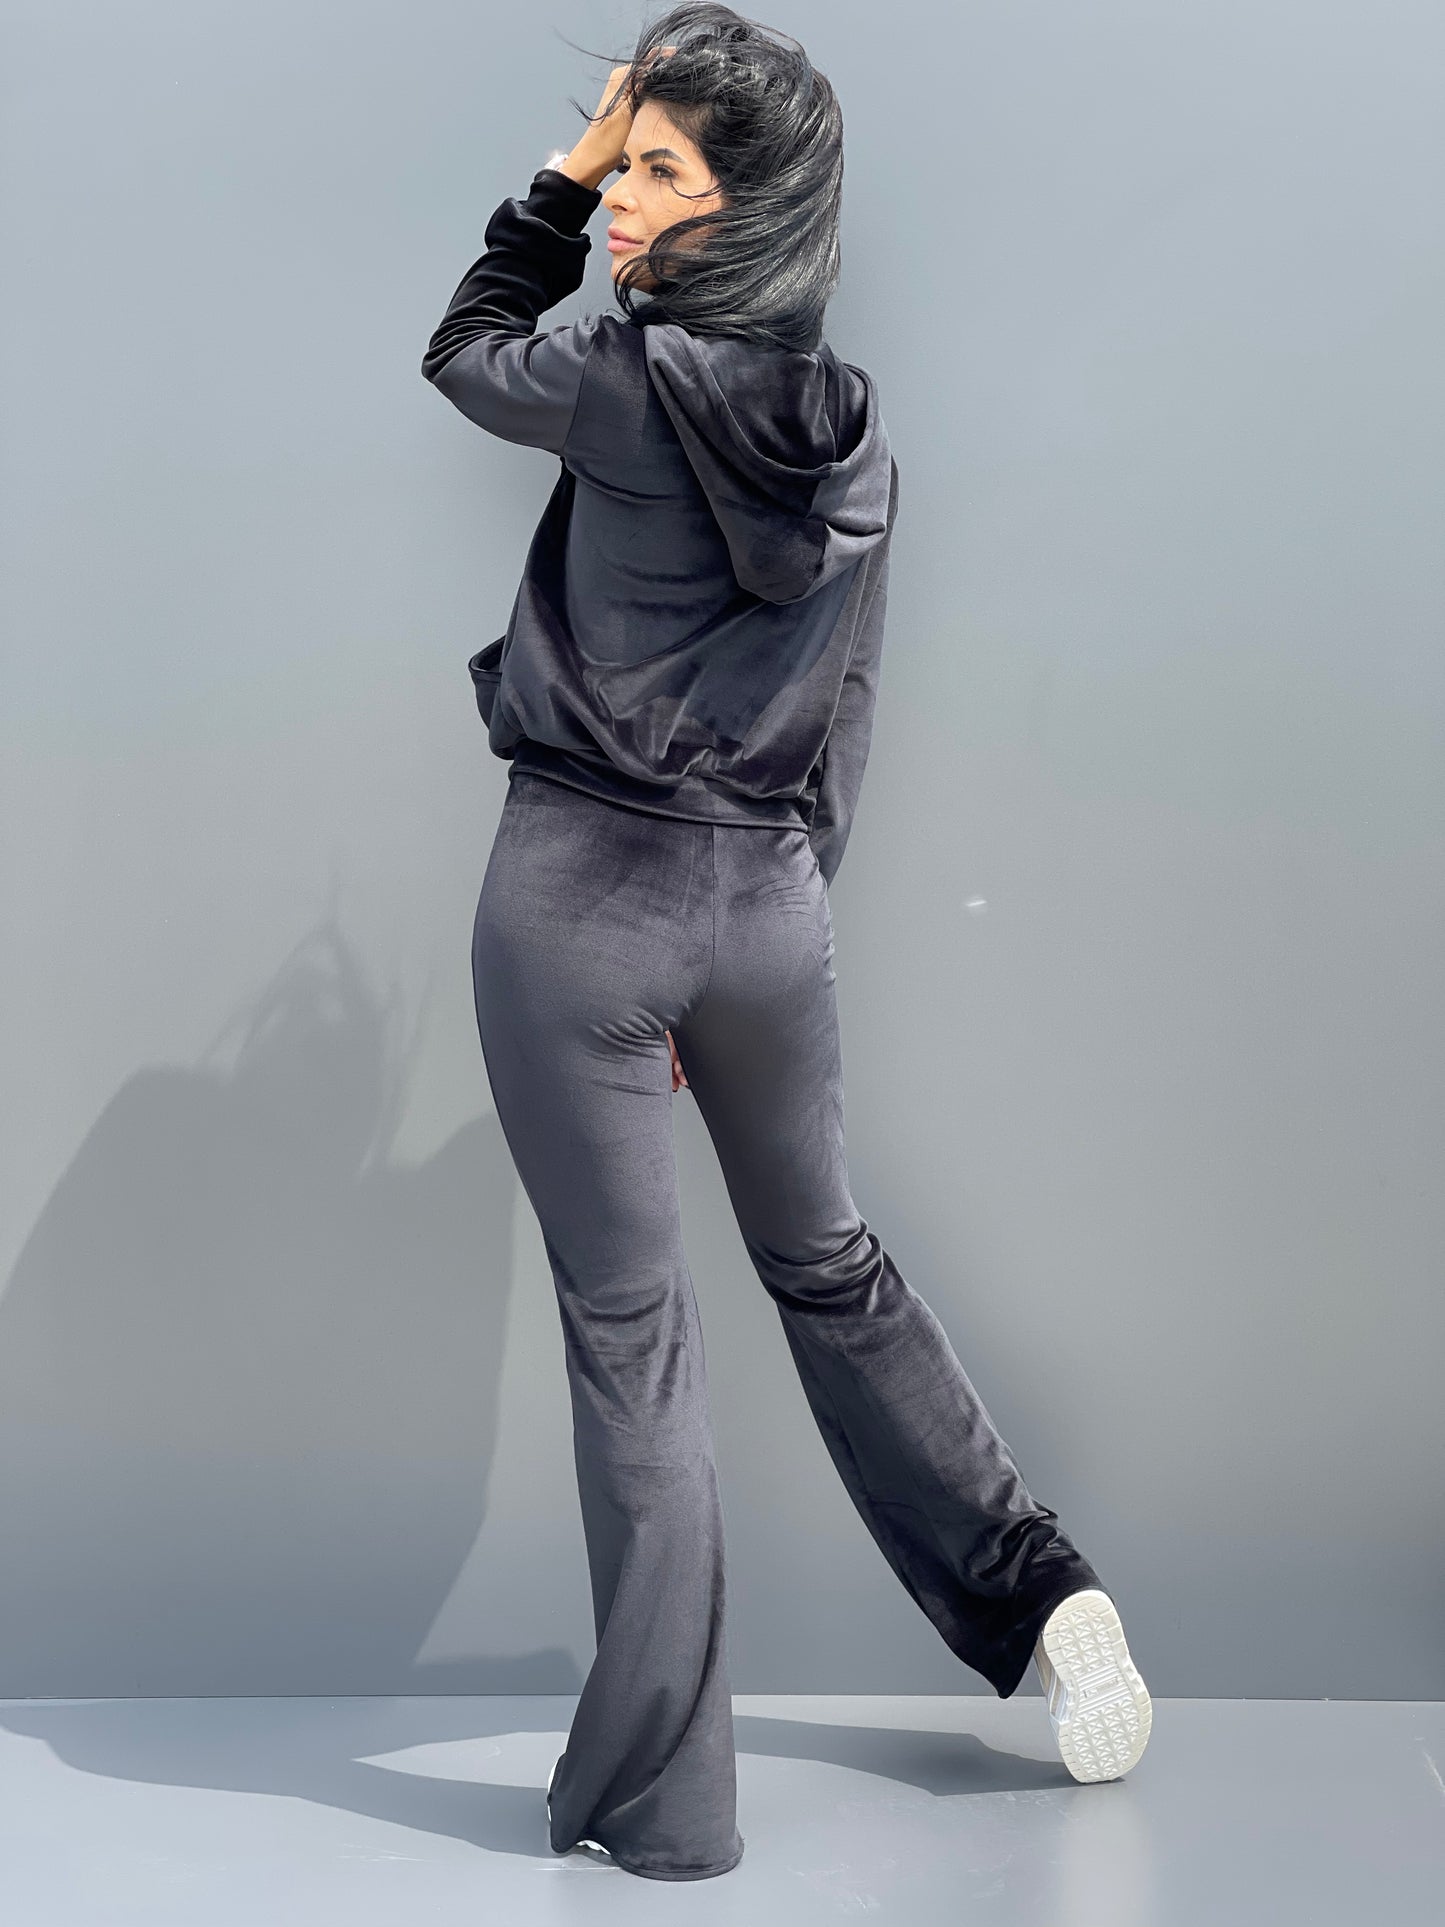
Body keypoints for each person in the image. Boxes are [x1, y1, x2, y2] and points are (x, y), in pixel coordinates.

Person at [421, 3, 1151, 1884]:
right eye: (619, 162)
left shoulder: (619, 382)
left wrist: (553, 170)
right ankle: (1039, 1589)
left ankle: (672, 1811)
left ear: (737, 210)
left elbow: (461, 350)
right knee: (829, 1265)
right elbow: (848, 716)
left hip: (576, 901)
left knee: (634, 1342)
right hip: (767, 902)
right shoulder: (854, 434)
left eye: (655, 169)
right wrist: (764, 910)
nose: (618, 197)